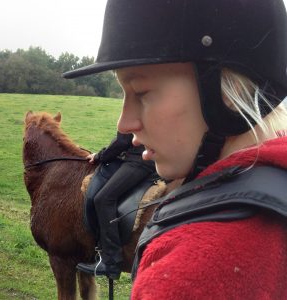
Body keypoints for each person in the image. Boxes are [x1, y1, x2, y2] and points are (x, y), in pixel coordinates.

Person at [63, 0, 287, 298]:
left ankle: (112, 258)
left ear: (227, 91)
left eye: (141, 92)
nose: (125, 122)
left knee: (103, 196)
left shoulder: (187, 276)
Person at [76, 132, 156, 278]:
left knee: (103, 198)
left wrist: (100, 156)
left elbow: (123, 140)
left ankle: (111, 261)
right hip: (149, 156)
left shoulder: (137, 109)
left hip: (140, 160)